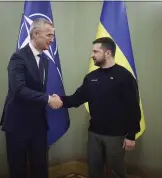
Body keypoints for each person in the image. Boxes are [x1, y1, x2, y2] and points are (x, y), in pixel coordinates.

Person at [53, 37, 141, 178]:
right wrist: (60, 100)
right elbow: (77, 98)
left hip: (116, 136)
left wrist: (131, 135)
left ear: (107, 53)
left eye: (95, 51)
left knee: (116, 173)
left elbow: (133, 107)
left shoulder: (124, 76)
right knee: (94, 170)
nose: (92, 55)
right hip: (94, 133)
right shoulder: (91, 77)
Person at [0, 18, 62, 178]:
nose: (52, 39)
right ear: (36, 33)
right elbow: (19, 89)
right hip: (18, 124)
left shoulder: (46, 60)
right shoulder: (18, 58)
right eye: (49, 35)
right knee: (18, 169)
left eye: (53, 36)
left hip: (38, 124)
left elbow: (37, 89)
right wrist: (48, 99)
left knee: (40, 167)